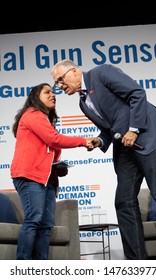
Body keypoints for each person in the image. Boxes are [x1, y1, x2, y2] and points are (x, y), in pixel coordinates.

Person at [51, 60, 156, 260]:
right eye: (57, 83)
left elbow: (137, 94)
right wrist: (99, 141)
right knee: (124, 202)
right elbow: (110, 128)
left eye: (60, 80)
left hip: (148, 135)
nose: (60, 86)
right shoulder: (83, 103)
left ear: (73, 71)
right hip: (125, 146)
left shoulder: (101, 73)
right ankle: (137, 263)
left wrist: (134, 130)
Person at [10, 82, 95, 260]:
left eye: (54, 92)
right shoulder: (33, 114)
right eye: (47, 92)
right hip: (29, 175)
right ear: (35, 98)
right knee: (34, 219)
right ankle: (22, 266)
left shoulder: (46, 121)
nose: (53, 95)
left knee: (46, 224)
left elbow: (49, 151)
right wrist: (82, 141)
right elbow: (54, 139)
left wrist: (58, 168)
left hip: (47, 179)